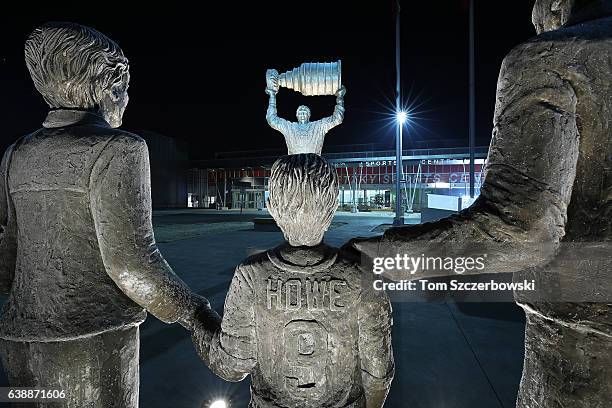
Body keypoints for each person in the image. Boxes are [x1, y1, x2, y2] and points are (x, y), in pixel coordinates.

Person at [352, 1, 612, 406]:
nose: (535, 17)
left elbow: (522, 230)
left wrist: (381, 257)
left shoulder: (553, 57)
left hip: (586, 342)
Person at [0, 22, 207, 407]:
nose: (126, 100)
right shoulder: (119, 149)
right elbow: (131, 263)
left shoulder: (15, 154)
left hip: (18, 344)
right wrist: (197, 316)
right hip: (91, 345)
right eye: (125, 88)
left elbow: (6, 255)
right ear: (107, 86)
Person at [192, 154, 394, 408]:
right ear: (333, 206)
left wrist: (194, 314)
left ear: (273, 207)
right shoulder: (362, 276)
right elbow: (377, 373)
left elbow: (232, 363)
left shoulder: (252, 274)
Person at [265, 71, 345, 155]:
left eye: (304, 112)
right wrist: (272, 96)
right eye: (300, 112)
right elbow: (272, 119)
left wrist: (340, 98)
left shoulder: (318, 126)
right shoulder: (289, 127)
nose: (302, 114)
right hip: (294, 164)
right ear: (296, 115)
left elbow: (337, 119)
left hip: (314, 164)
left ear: (309, 115)